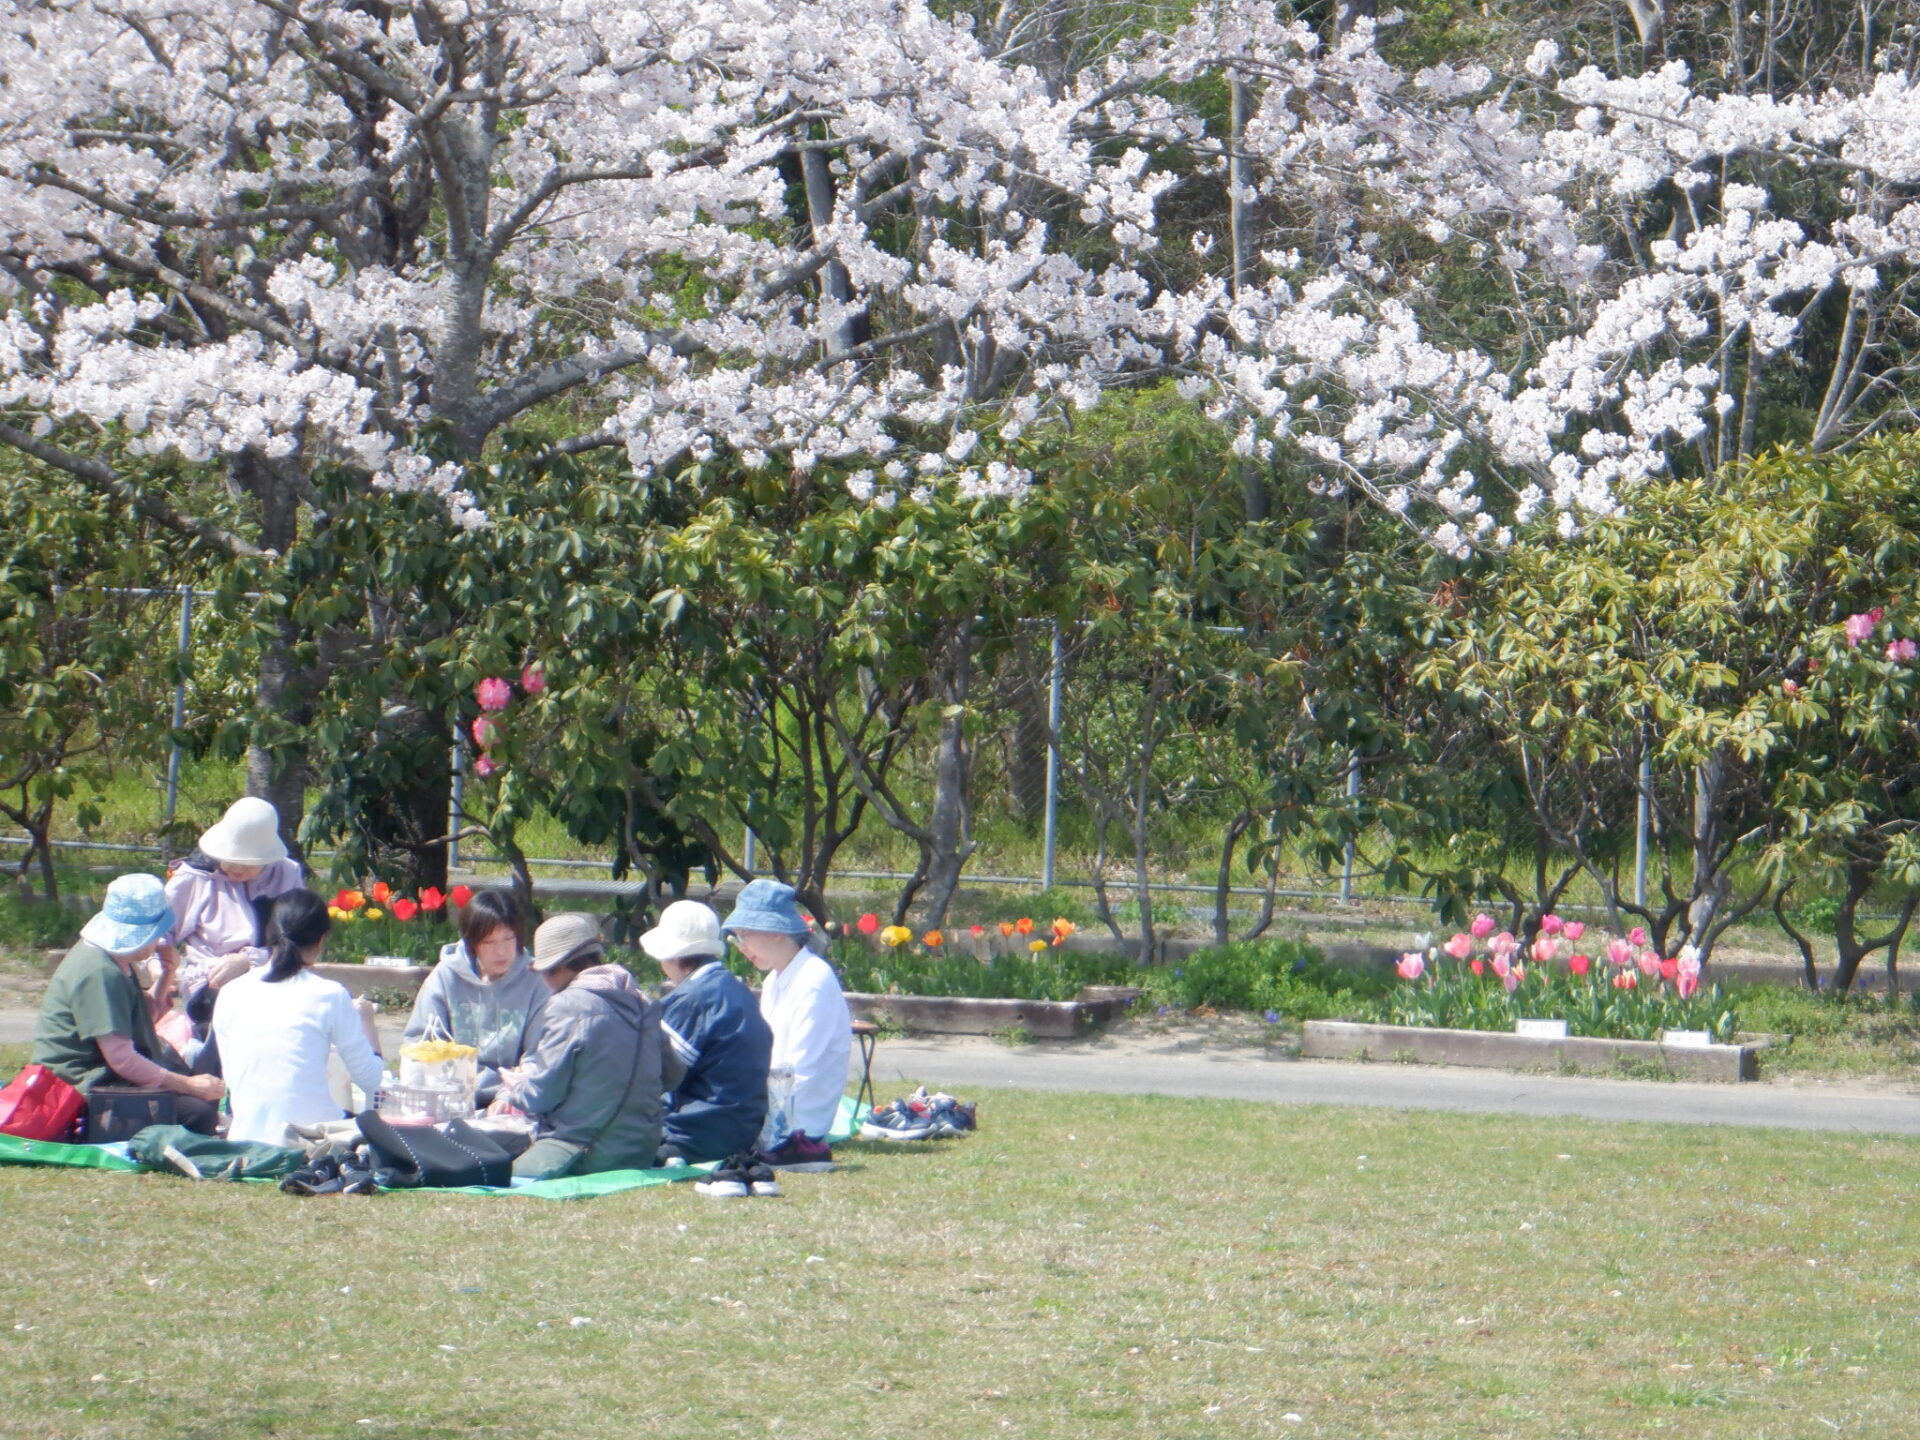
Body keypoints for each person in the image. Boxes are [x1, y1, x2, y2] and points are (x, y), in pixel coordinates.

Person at [31, 874, 226, 1134]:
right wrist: (187, 1085)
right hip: (81, 1086)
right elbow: (121, 1059)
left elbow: (137, 1020)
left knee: (191, 1073)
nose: (159, 940)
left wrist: (166, 975)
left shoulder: (115, 960)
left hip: (106, 1076)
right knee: (198, 1114)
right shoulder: (100, 973)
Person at [494, 913, 679, 1180]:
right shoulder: (642, 1002)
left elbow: (543, 1095)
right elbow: (673, 1075)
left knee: (489, 1167)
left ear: (557, 968)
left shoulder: (567, 1006)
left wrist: (517, 1087)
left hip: (583, 1153)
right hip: (641, 1150)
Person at [211, 889, 388, 1145]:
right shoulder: (329, 995)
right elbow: (371, 1080)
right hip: (310, 1140)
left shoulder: (230, 992)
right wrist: (366, 1021)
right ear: (321, 940)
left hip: (246, 1139)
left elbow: (234, 1077)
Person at [722, 878, 849, 1171]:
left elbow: (802, 1070)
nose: (741, 947)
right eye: (737, 938)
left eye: (745, 935)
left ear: (777, 933)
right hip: (772, 1107)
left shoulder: (813, 979)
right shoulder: (774, 980)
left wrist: (755, 1115)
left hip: (799, 1125)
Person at [164, 796, 305, 1048]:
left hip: (273, 974)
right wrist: (161, 969)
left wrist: (250, 961)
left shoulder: (287, 873)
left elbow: (298, 939)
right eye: (230, 858)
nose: (237, 868)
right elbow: (159, 933)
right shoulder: (194, 877)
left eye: (248, 863)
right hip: (210, 983)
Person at [644, 900, 772, 1164]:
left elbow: (657, 1076)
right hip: (742, 1130)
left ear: (672, 955)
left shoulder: (692, 998)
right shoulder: (736, 990)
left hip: (693, 1133)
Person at [404, 889, 548, 1105]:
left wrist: (509, 1096)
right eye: (489, 942)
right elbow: (421, 1042)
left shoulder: (536, 980)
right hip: (448, 1094)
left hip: (512, 1096)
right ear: (472, 944)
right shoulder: (446, 976)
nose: (501, 951)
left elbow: (539, 1056)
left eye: (508, 939)